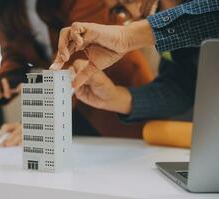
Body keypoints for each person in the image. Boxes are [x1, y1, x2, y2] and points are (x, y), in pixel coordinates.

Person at [0, 0, 158, 147]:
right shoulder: (1, 5)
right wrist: (6, 78)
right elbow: (12, 51)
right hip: (69, 101)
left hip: (116, 90)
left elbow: (73, 54)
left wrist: (38, 120)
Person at [48, 0, 217, 124]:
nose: (132, 7)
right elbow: (181, 88)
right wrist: (115, 98)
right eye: (120, 9)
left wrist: (128, 36)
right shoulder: (167, 37)